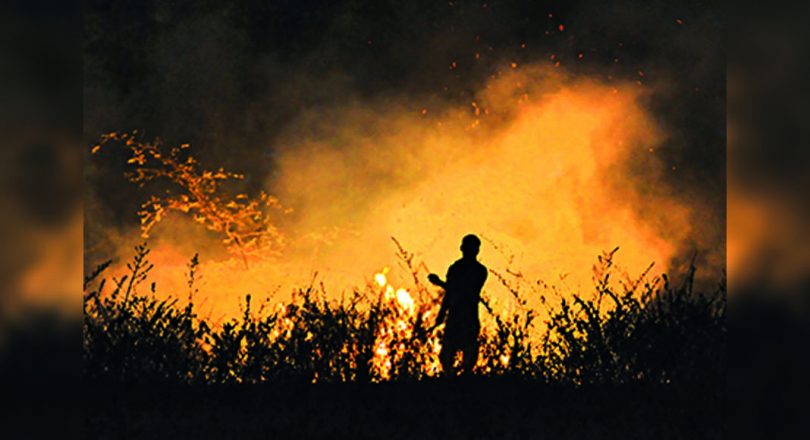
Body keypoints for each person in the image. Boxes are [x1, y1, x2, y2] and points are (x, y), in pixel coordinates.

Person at [428, 234, 488, 376]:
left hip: (466, 318)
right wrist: (441, 316)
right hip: (458, 318)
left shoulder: (478, 271)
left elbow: (463, 291)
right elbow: (450, 294)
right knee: (447, 357)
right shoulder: (458, 268)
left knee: (466, 357)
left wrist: (440, 283)